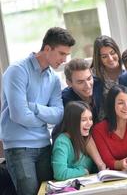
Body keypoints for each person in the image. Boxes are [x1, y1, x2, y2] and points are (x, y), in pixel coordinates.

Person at [0, 27, 75, 194]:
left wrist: (33, 107)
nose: (64, 60)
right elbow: (18, 115)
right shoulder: (17, 71)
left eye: (67, 55)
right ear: (47, 49)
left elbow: (58, 115)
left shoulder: (54, 79)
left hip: (44, 145)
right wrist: (44, 118)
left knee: (52, 193)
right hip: (19, 147)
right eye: (62, 54)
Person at [51, 58, 106, 171]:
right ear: (69, 83)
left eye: (89, 78)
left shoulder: (98, 84)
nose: (87, 85)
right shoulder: (66, 99)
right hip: (73, 144)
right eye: (80, 82)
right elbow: (84, 132)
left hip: (92, 138)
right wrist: (100, 164)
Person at [92, 85, 127, 173]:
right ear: (111, 105)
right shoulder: (98, 130)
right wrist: (121, 164)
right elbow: (107, 161)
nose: (126, 107)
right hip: (114, 177)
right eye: (121, 103)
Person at [52, 101, 101, 181]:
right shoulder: (62, 142)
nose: (89, 123)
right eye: (84, 120)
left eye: (90, 119)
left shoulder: (86, 137)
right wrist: (83, 171)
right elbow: (60, 173)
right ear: (73, 121)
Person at [92, 35, 123, 103]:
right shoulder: (93, 75)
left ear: (117, 51)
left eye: (112, 53)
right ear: (99, 59)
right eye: (104, 56)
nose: (110, 59)